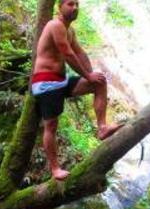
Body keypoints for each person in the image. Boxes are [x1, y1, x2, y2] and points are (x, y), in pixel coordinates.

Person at [31, 0, 123, 180]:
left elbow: (79, 53)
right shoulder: (55, 25)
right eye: (70, 4)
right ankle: (55, 169)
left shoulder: (69, 30)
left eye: (77, 4)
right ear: (60, 7)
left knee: (100, 83)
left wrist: (91, 74)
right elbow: (68, 54)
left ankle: (102, 127)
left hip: (61, 81)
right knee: (51, 126)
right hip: (46, 83)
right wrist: (87, 76)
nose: (74, 8)